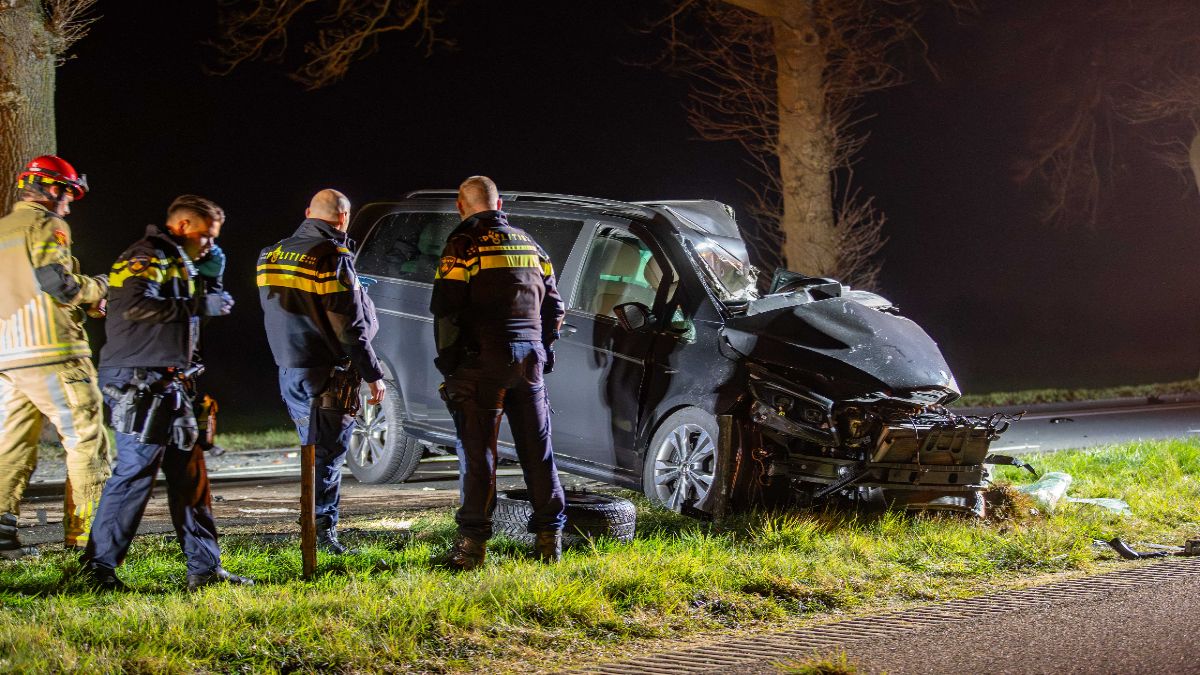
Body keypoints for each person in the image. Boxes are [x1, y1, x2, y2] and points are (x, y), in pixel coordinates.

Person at [79, 195, 253, 591]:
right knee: (135, 472)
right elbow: (135, 306)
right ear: (184, 226)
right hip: (138, 380)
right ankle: (96, 569)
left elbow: (190, 315)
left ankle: (205, 569)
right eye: (206, 236)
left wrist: (210, 281)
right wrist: (197, 301)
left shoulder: (181, 261)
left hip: (171, 381)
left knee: (189, 475)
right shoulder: (145, 256)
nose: (210, 244)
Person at [431, 175, 566, 570]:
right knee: (538, 453)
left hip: (481, 363)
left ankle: (471, 548)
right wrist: (543, 350)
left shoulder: (464, 244)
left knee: (479, 455)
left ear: (461, 206)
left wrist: (451, 365)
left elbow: (447, 311)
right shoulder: (530, 244)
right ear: (500, 204)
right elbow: (555, 308)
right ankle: (549, 542)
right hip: (530, 363)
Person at [258, 189, 385, 554]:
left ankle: (311, 530)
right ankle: (321, 537)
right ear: (344, 218)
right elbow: (349, 327)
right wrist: (373, 373)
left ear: (308, 213)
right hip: (326, 372)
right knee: (326, 457)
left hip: (289, 368)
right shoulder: (331, 257)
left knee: (310, 451)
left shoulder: (271, 253)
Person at [0, 155, 111, 554]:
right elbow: (59, 284)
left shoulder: (3, 230)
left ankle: (2, 534)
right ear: (51, 189)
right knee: (86, 441)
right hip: (55, 353)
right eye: (68, 195)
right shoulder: (48, 225)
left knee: (11, 446)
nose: (69, 206)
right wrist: (101, 288)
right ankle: (89, 541)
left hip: (8, 357)